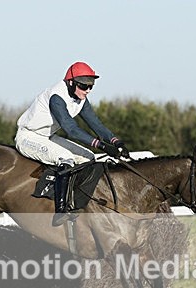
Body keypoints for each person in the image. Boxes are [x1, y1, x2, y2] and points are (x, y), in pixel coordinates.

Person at [15, 61, 129, 225]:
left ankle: (78, 200)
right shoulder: (57, 97)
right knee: (65, 158)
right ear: (70, 82)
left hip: (48, 136)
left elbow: (96, 124)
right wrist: (103, 146)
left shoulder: (80, 98)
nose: (88, 90)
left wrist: (116, 142)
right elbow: (72, 130)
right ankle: (61, 210)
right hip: (28, 136)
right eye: (83, 86)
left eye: (91, 86)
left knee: (89, 157)